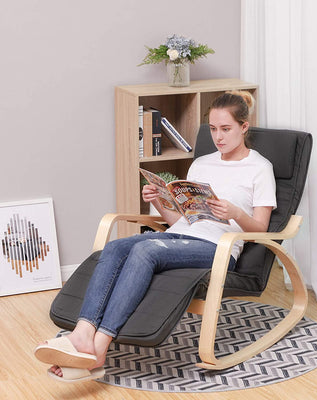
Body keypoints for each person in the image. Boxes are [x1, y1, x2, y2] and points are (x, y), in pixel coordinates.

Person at [34, 91, 277, 382]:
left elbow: (262, 231)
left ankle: (100, 347)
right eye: (213, 129)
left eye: (226, 129)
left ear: (244, 127)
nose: (218, 137)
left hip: (218, 247)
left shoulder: (260, 168)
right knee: (115, 248)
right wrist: (159, 201)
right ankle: (84, 332)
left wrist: (234, 212)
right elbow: (182, 221)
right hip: (182, 236)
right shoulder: (203, 163)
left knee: (145, 252)